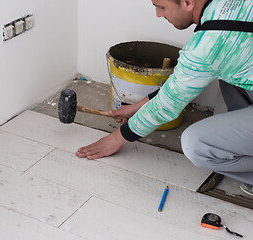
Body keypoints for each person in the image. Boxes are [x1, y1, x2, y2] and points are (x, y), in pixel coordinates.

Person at [76, 0, 253, 195]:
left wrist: (117, 138)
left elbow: (166, 106)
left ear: (187, 2)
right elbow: (181, 83)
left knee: (197, 144)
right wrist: (139, 107)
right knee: (228, 75)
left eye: (161, 6)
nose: (158, 15)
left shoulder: (207, 46)